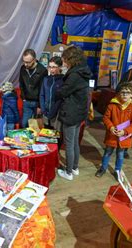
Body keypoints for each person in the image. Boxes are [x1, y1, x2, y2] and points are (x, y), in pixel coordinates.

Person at [56, 46, 92, 181]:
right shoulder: (83, 71)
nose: (64, 63)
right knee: (75, 142)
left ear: (71, 59)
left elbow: (63, 92)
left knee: (69, 143)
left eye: (65, 60)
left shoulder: (74, 75)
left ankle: (68, 171)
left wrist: (58, 89)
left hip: (71, 113)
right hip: (79, 112)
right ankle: (75, 167)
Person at [96, 83, 132, 178]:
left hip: (124, 136)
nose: (125, 95)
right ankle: (103, 168)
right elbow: (106, 118)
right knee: (107, 152)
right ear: (119, 93)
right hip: (112, 135)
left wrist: (125, 131)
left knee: (120, 155)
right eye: (122, 92)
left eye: (127, 93)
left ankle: (117, 171)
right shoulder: (112, 105)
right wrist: (111, 127)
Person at [19, 49, 48, 128]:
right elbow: (21, 84)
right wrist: (23, 97)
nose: (25, 64)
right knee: (24, 124)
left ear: (34, 60)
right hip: (27, 101)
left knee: (35, 127)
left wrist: (40, 105)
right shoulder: (23, 69)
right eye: (24, 61)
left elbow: (43, 89)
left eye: (28, 62)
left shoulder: (42, 71)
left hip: (37, 102)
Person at [40, 56, 64, 129]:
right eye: (49, 67)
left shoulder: (63, 80)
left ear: (60, 67)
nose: (51, 69)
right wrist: (43, 109)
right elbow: (42, 95)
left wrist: (53, 112)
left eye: (54, 67)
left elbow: (60, 98)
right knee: (45, 135)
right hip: (45, 113)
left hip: (57, 114)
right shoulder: (46, 79)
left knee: (55, 136)